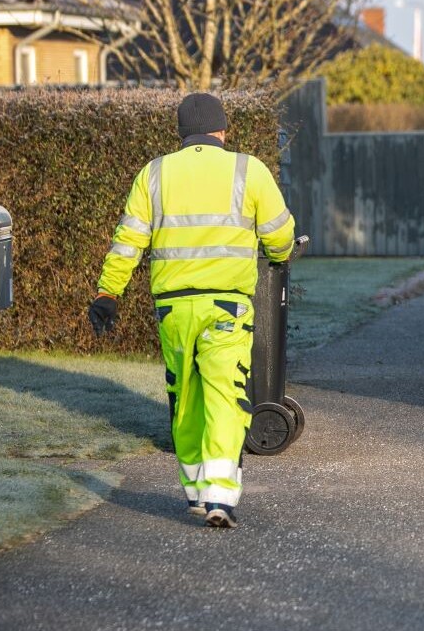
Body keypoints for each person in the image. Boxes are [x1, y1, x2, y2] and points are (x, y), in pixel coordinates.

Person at [88, 93, 295, 527]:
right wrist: (279, 254)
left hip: (174, 308)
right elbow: (279, 232)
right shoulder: (248, 169)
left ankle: (196, 493)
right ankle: (221, 497)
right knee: (226, 393)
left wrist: (109, 293)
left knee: (184, 397)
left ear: (182, 133)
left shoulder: (155, 173)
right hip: (228, 306)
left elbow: (129, 241)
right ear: (222, 130)